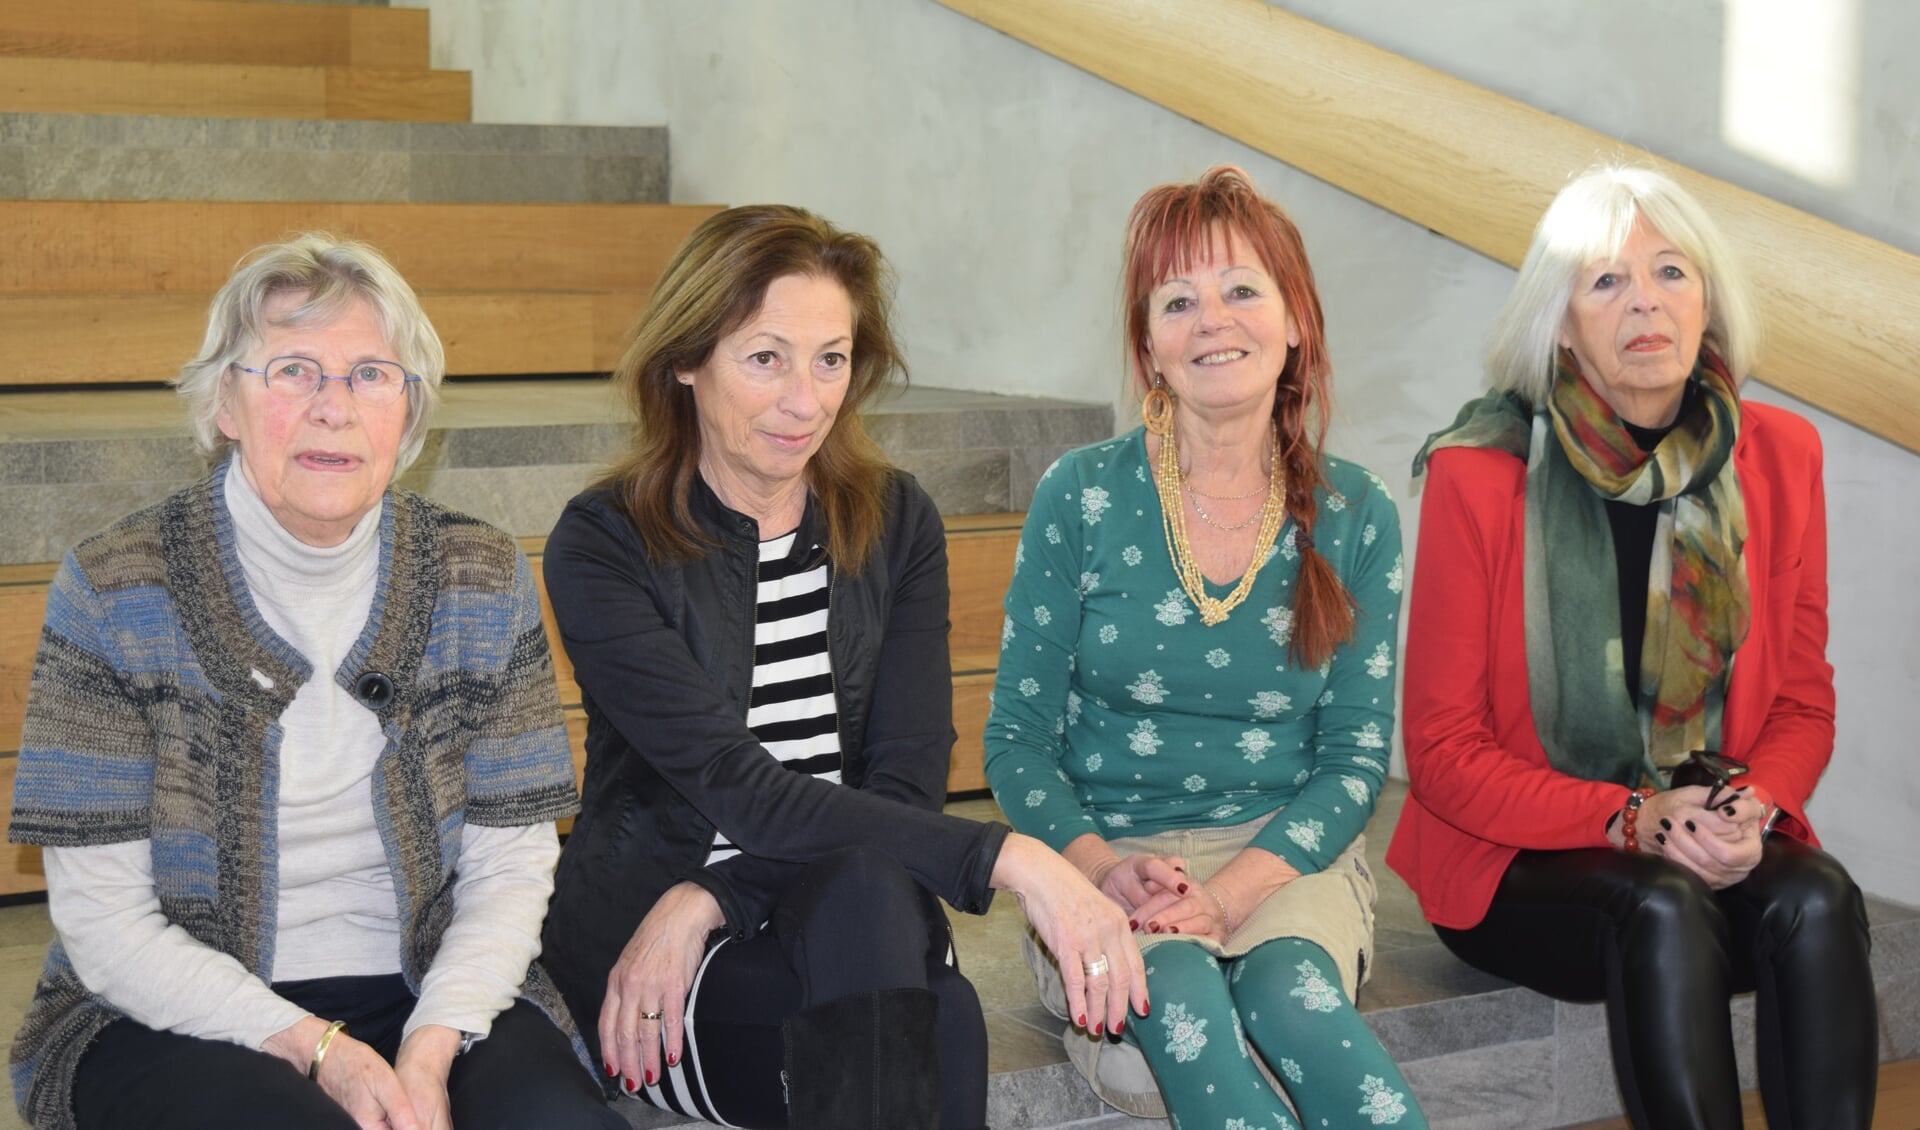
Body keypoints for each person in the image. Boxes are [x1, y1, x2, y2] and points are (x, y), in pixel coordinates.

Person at [538, 204, 1144, 1130]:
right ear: (686, 362)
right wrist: (1011, 858)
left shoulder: (896, 523)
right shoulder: (604, 541)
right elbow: (740, 790)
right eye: (766, 357)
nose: (806, 399)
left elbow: (903, 782)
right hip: (661, 963)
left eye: (832, 358)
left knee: (870, 903)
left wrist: (714, 896)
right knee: (939, 1021)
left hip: (833, 904)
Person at [8, 235, 622, 1130]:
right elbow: (105, 924)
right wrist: (315, 1047)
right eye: (293, 370)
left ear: (409, 416)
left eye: (372, 375)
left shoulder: (479, 573)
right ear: (226, 401)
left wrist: (432, 1041)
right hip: (177, 1007)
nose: (335, 409)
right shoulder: (114, 588)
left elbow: (511, 863)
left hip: (429, 983)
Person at [1388, 165, 1876, 1129]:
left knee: (1817, 894)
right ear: (1560, 323)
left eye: (1669, 273)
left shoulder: (1781, 456)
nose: (1643, 301)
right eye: (1605, 281)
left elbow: (1802, 702)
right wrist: (1632, 819)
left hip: (1704, 820)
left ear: (1709, 305)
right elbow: (1442, 753)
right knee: (1663, 907)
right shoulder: (1480, 474)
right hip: (1522, 860)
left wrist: (1753, 806)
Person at [984, 166, 1427, 1130]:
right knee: (1178, 995)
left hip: (1280, 859)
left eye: (1241, 290)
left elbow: (1354, 761)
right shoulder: (1081, 495)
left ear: (1295, 319)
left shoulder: (1357, 510)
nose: (1211, 320)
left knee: (1294, 1005)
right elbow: (1014, 742)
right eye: (1177, 300)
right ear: (1148, 344)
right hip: (1104, 857)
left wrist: (1230, 896)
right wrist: (1099, 869)